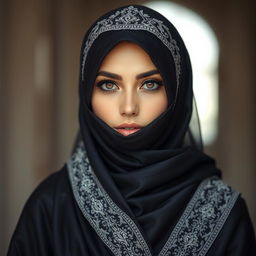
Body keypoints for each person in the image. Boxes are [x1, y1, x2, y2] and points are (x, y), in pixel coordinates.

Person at [7, 5, 256, 256]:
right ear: (86, 95)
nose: (128, 107)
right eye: (108, 85)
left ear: (175, 93)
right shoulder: (50, 206)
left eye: (150, 84)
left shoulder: (225, 211)